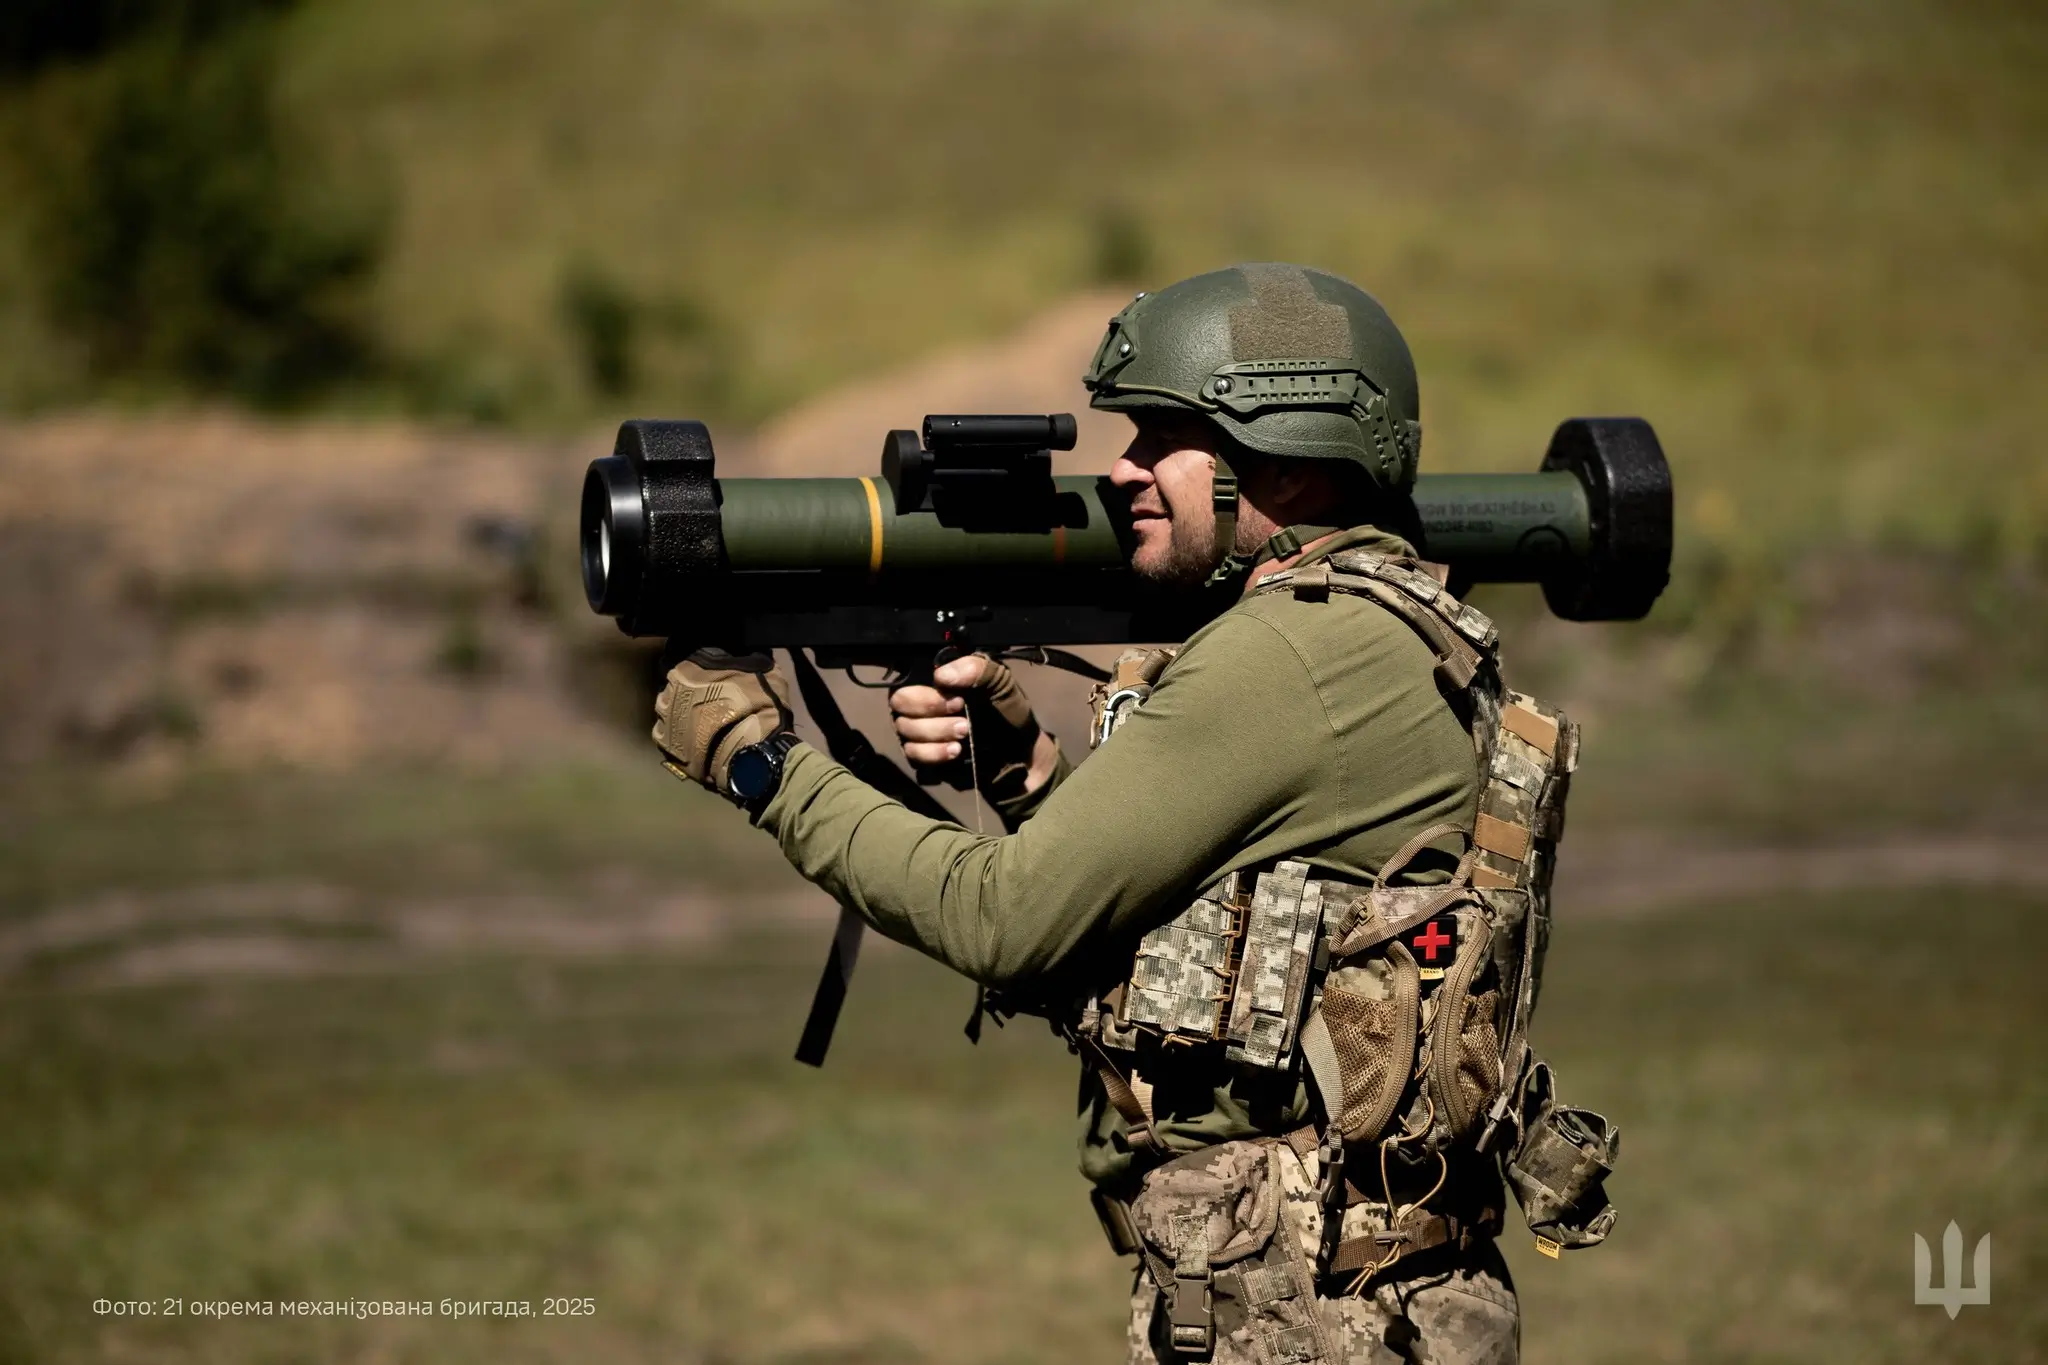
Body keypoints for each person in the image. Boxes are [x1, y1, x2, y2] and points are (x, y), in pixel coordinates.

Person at [651, 264, 1617, 1364]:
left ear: (1286, 462)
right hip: (1355, 1304)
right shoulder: (1377, 629)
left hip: (1318, 1323)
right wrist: (1029, 770)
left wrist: (758, 760)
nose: (1120, 471)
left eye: (1163, 438)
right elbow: (1211, 941)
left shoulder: (1288, 655)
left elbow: (1000, 919)